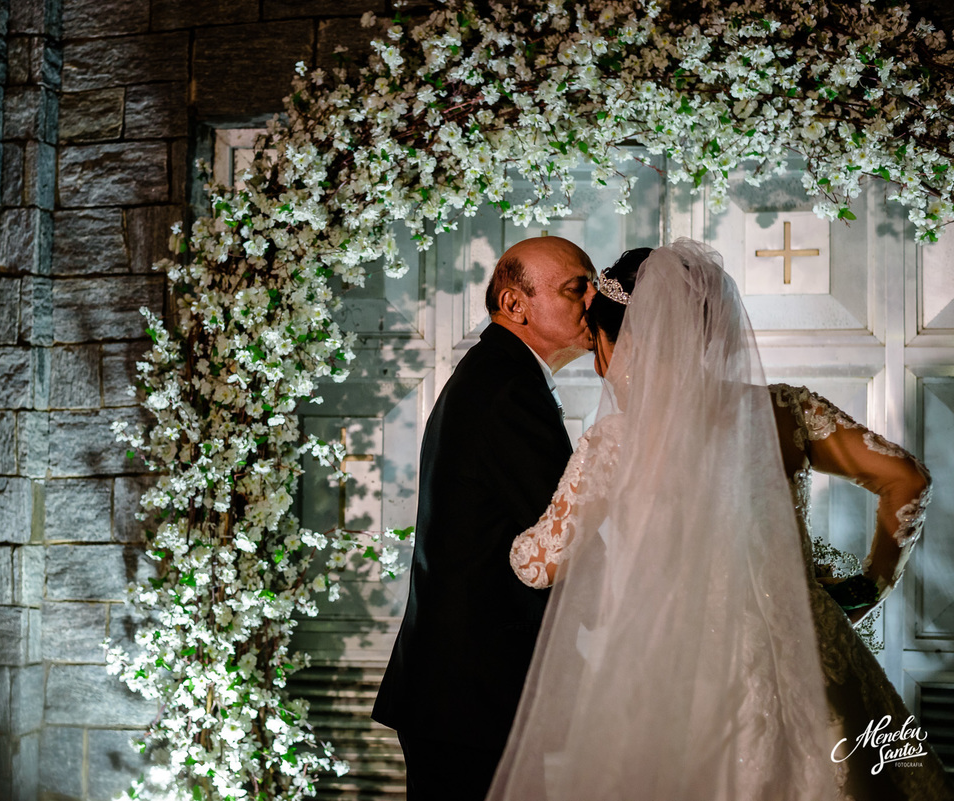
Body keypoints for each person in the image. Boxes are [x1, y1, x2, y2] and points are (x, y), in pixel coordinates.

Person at [494, 241, 953, 800]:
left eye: (600, 345)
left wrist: (515, 524)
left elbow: (538, 565)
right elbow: (908, 479)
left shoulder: (614, 443)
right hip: (807, 652)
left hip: (681, 680)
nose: (597, 365)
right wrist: (868, 586)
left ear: (629, 341)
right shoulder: (786, 411)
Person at [372, 236, 597, 801]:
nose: (593, 300)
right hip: (471, 697)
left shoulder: (500, 374)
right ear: (515, 304)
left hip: (460, 691)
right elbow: (561, 540)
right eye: (577, 288)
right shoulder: (506, 389)